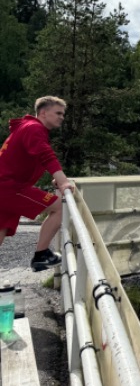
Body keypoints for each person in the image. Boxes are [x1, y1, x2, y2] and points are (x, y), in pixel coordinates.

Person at [0, 96, 75, 271]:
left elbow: (32, 158)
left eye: (63, 114)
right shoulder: (34, 128)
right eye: (58, 113)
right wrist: (63, 182)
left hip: (6, 186)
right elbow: (45, 155)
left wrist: (56, 177)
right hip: (10, 187)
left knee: (1, 228)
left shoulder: (27, 128)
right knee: (59, 207)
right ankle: (41, 256)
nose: (61, 117)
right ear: (43, 112)